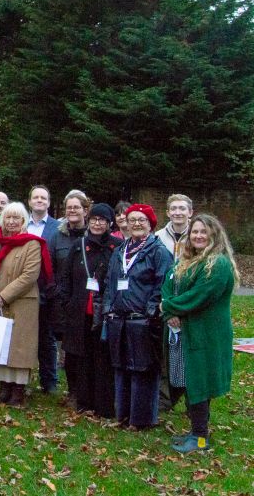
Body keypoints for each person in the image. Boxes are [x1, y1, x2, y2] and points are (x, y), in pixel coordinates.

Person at [160, 214, 236, 453]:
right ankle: (195, 431)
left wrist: (168, 307)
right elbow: (167, 285)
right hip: (186, 333)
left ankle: (201, 439)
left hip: (206, 335)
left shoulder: (218, 264)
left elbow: (200, 296)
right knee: (190, 382)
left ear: (214, 235)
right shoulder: (185, 261)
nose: (199, 236)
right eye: (195, 232)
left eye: (204, 232)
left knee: (200, 384)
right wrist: (168, 307)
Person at [103, 203, 172, 429]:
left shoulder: (158, 251)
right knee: (121, 368)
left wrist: (151, 311)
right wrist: (109, 307)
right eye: (132, 220)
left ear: (150, 224)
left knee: (143, 370)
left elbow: (163, 283)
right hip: (119, 318)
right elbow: (110, 282)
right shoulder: (120, 250)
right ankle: (122, 415)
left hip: (143, 319)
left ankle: (141, 420)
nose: (136, 224)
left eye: (141, 220)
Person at [0, 201, 48, 407]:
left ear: (24, 221)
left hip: (20, 303)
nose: (12, 221)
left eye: (17, 217)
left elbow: (29, 275)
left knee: (18, 348)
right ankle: (3, 388)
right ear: (2, 220)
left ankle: (18, 391)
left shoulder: (32, 243)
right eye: (8, 217)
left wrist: (4, 296)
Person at [55, 203, 121, 416]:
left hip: (106, 311)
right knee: (80, 357)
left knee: (102, 358)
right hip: (80, 310)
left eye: (102, 220)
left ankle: (103, 402)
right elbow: (65, 278)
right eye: (94, 219)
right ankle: (82, 399)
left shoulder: (117, 247)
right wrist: (67, 302)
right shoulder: (79, 245)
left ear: (109, 223)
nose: (97, 223)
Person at [44, 189, 91, 395]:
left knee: (87, 347)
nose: (72, 211)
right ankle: (73, 391)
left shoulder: (93, 235)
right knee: (69, 348)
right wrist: (55, 292)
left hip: (88, 301)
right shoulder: (57, 236)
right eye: (69, 207)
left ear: (85, 210)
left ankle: (87, 389)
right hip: (63, 302)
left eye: (76, 207)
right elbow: (49, 267)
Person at [26, 184, 59, 395]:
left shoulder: (58, 228)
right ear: (29, 201)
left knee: (47, 338)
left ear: (48, 202)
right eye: (35, 197)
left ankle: (50, 381)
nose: (39, 200)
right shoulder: (22, 225)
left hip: (47, 289)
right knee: (24, 336)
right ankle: (22, 379)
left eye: (43, 198)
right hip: (25, 291)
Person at [155, 194, 193, 259]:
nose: (177, 213)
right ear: (168, 213)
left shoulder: (197, 236)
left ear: (190, 213)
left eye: (182, 209)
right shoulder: (158, 236)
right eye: (173, 209)